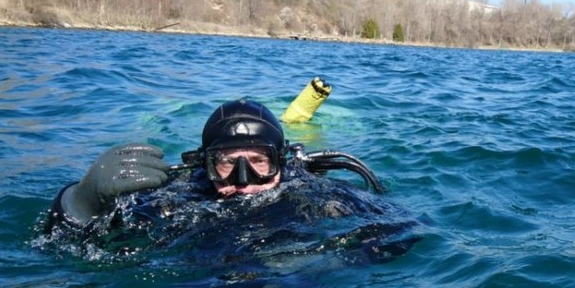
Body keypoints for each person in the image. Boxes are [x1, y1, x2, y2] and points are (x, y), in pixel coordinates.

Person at [43, 98, 386, 234]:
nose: (244, 181)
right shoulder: (180, 199)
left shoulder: (315, 195)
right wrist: (83, 201)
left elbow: (396, 232)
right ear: (204, 164)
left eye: (259, 162)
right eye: (225, 163)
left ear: (280, 162)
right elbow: (61, 246)